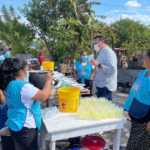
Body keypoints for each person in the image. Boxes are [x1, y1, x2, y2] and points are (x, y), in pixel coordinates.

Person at [0, 58, 53, 150]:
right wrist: (48, 80)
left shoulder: (9, 84)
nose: (27, 72)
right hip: (26, 128)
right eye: (26, 70)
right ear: (21, 72)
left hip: (15, 124)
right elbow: (44, 96)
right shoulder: (24, 87)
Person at [124, 49, 150, 150]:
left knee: (135, 146)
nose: (142, 60)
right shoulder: (143, 73)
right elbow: (134, 93)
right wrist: (128, 109)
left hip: (146, 119)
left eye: (145, 57)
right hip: (137, 114)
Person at [90, 36, 117, 100]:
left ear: (102, 42)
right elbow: (102, 67)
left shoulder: (108, 53)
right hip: (101, 85)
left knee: (105, 108)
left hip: (105, 86)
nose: (94, 45)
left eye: (95, 43)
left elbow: (112, 70)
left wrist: (98, 65)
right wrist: (95, 69)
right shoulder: (102, 53)